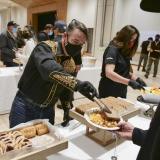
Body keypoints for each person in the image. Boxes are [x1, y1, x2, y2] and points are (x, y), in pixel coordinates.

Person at [9, 20, 98, 128]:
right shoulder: (44, 48)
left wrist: (67, 108)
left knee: (47, 145)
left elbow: (66, 89)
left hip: (48, 110)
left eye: (81, 44)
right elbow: (50, 70)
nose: (78, 47)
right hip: (25, 107)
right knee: (19, 142)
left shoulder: (71, 62)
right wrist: (77, 84)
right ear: (65, 36)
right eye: (75, 41)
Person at [98, 25, 146, 98]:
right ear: (124, 37)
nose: (132, 43)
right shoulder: (112, 49)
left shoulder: (124, 51)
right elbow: (109, 73)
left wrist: (137, 79)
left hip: (121, 89)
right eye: (130, 39)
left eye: (134, 40)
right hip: (109, 89)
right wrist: (129, 82)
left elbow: (122, 71)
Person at [54, 20, 84, 126]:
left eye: (82, 43)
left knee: (67, 95)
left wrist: (76, 65)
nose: (79, 45)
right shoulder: (55, 44)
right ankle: (67, 113)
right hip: (58, 76)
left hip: (70, 73)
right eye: (76, 41)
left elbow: (77, 56)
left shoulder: (74, 44)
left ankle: (68, 115)